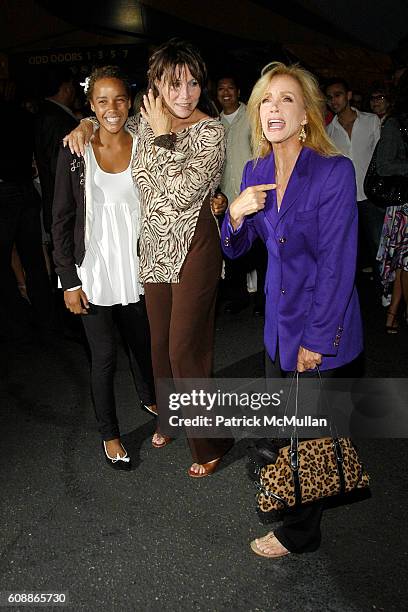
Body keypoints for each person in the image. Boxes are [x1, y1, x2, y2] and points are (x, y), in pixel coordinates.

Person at [64, 40, 233, 477]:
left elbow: (182, 193)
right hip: (154, 250)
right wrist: (83, 123)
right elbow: (110, 120)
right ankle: (172, 417)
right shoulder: (141, 122)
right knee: (158, 348)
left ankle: (212, 440)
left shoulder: (210, 130)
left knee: (184, 349)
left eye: (192, 83)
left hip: (194, 246)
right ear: (156, 85)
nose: (184, 94)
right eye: (173, 84)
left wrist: (159, 137)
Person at [221, 62, 363, 558]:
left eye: (285, 99)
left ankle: (299, 534)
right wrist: (234, 217)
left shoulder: (333, 172)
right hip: (277, 329)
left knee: (310, 434)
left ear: (306, 115)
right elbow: (239, 254)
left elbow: (338, 266)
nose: (273, 108)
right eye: (265, 100)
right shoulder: (255, 171)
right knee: (288, 427)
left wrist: (316, 342)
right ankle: (295, 504)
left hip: (321, 326)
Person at [52, 66, 156, 470]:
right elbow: (59, 218)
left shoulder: (144, 141)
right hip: (93, 271)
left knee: (142, 342)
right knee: (105, 356)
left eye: (119, 99)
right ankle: (110, 434)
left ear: (129, 102)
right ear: (90, 105)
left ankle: (148, 394)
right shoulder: (75, 150)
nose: (111, 108)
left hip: (135, 266)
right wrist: (68, 281)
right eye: (101, 101)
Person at [216, 74, 267, 316]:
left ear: (238, 91)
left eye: (230, 88)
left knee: (259, 250)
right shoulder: (214, 124)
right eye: (221, 89)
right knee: (233, 250)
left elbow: (263, 153)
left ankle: (263, 302)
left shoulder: (252, 117)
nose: (226, 93)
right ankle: (239, 298)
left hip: (254, 195)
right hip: (227, 196)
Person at [326, 78, 382, 274]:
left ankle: (384, 292)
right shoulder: (328, 132)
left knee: (378, 246)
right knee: (348, 250)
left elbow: (381, 157)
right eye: (330, 97)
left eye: (338, 95)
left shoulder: (371, 121)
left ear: (348, 95)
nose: (334, 101)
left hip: (371, 197)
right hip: (344, 200)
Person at [375, 71, 408, 332]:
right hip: (404, 205)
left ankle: (392, 315)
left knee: (403, 266)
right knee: (405, 264)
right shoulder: (395, 123)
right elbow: (385, 166)